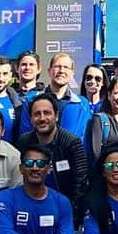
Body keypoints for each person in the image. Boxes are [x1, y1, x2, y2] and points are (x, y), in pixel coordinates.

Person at [15, 93, 89, 223]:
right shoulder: (23, 142)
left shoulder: (71, 143)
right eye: (37, 114)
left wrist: (70, 217)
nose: (42, 118)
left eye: (47, 113)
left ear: (57, 116)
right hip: (31, 211)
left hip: (64, 212)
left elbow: (81, 183)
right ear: (31, 119)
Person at [18, 52, 93, 142]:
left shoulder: (82, 104)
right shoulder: (31, 101)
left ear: (72, 73)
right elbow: (25, 136)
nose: (61, 70)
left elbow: (85, 138)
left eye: (66, 67)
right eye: (57, 67)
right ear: (49, 71)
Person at [85, 77, 118, 170]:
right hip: (107, 178)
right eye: (117, 93)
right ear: (109, 95)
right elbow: (95, 155)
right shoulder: (100, 120)